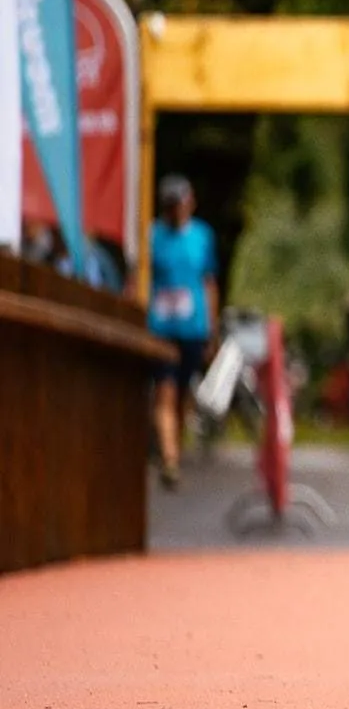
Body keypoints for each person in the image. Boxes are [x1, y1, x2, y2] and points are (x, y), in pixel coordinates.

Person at [146, 175, 220, 491]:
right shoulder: (151, 235)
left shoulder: (202, 236)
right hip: (161, 327)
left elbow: (209, 282)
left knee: (182, 392)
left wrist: (211, 328)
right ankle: (170, 458)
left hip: (192, 327)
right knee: (165, 390)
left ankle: (171, 446)